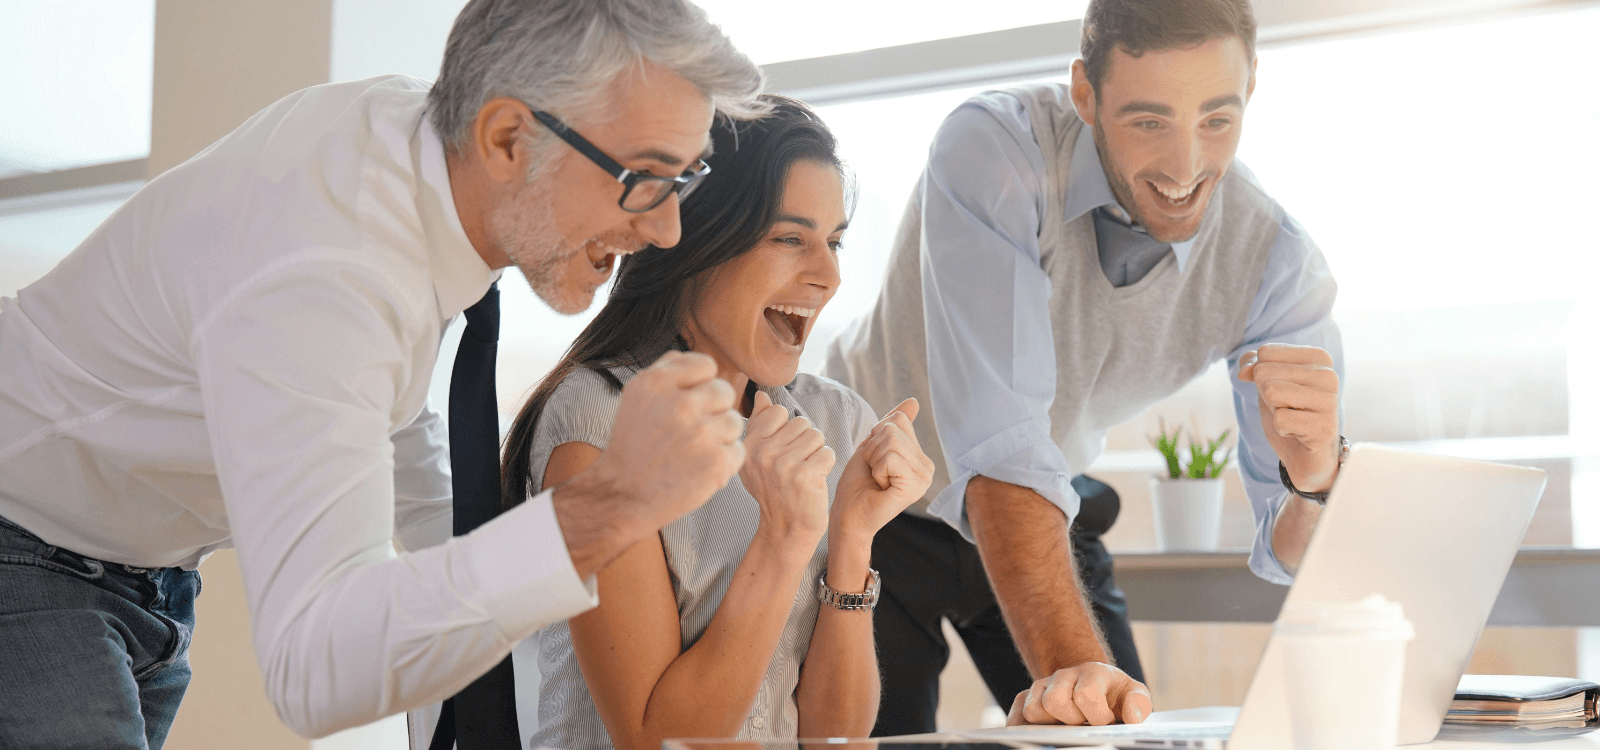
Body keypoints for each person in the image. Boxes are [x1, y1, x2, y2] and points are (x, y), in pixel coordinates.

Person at [0, 1, 769, 746]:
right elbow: (314, 669)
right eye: (646, 177)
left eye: (686, 176)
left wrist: (478, 541)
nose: (666, 228)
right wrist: (606, 507)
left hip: (147, 569)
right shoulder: (325, 272)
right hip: (25, 536)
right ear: (507, 138)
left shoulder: (419, 159)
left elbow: (380, 398)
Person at [823, 0, 1345, 730]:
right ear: (1085, 93)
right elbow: (1002, 449)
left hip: (1050, 508)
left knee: (1122, 729)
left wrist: (1317, 481)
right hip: (866, 508)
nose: (1186, 168)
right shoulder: (997, 151)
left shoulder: (1276, 263)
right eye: (1148, 121)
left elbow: (1286, 549)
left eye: (1217, 120)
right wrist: (1081, 680)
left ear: (1251, 86)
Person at [497, 97, 934, 750]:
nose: (829, 276)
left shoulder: (832, 419)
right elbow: (655, 740)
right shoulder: (599, 421)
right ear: (699, 243)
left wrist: (849, 540)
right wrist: (784, 539)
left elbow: (832, 734)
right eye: (790, 239)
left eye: (835, 242)